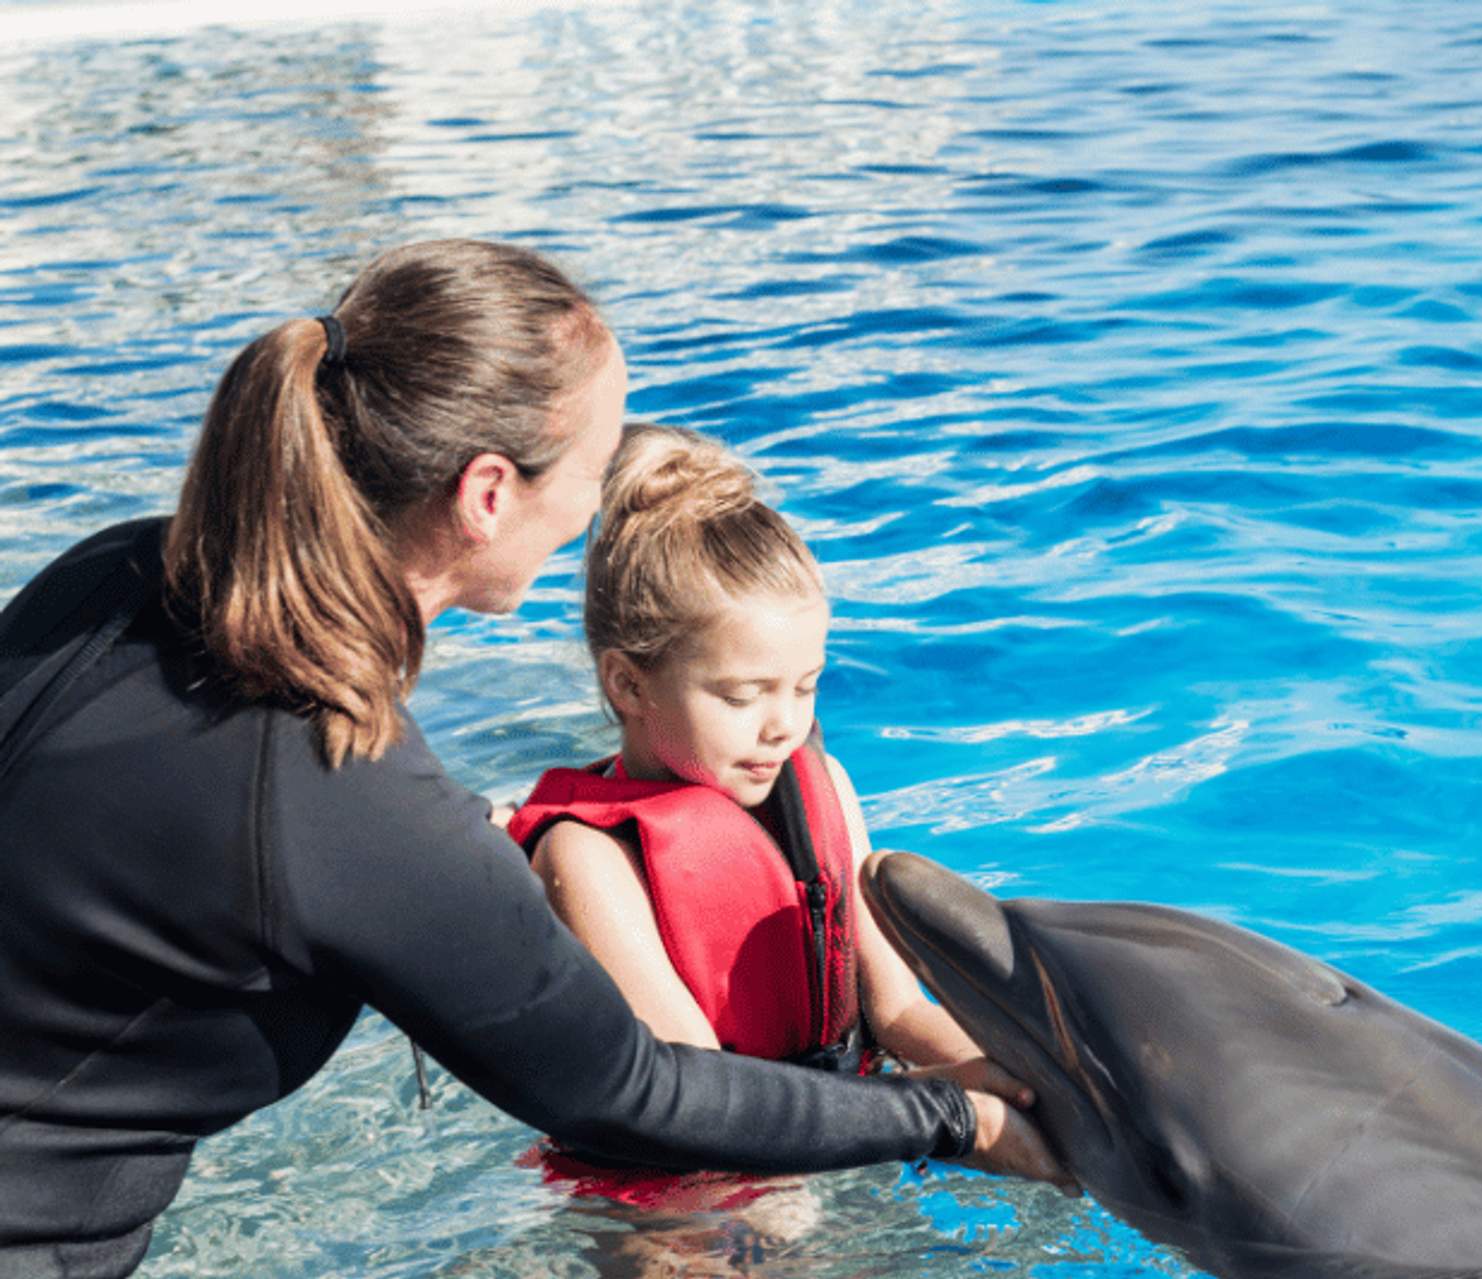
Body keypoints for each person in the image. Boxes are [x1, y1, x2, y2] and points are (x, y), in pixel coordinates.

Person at [0, 239, 1065, 1279]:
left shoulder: (123, 572)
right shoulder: (343, 790)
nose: (603, 507)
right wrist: (949, 1119)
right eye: (597, 470)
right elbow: (630, 1090)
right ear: (489, 493)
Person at [507, 425, 1003, 1099]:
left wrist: (1020, 1088)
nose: (785, 726)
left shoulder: (823, 785)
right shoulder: (589, 856)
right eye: (742, 695)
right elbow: (702, 1101)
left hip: (850, 1116)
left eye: (806, 685)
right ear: (628, 684)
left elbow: (899, 1011)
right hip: (688, 1186)